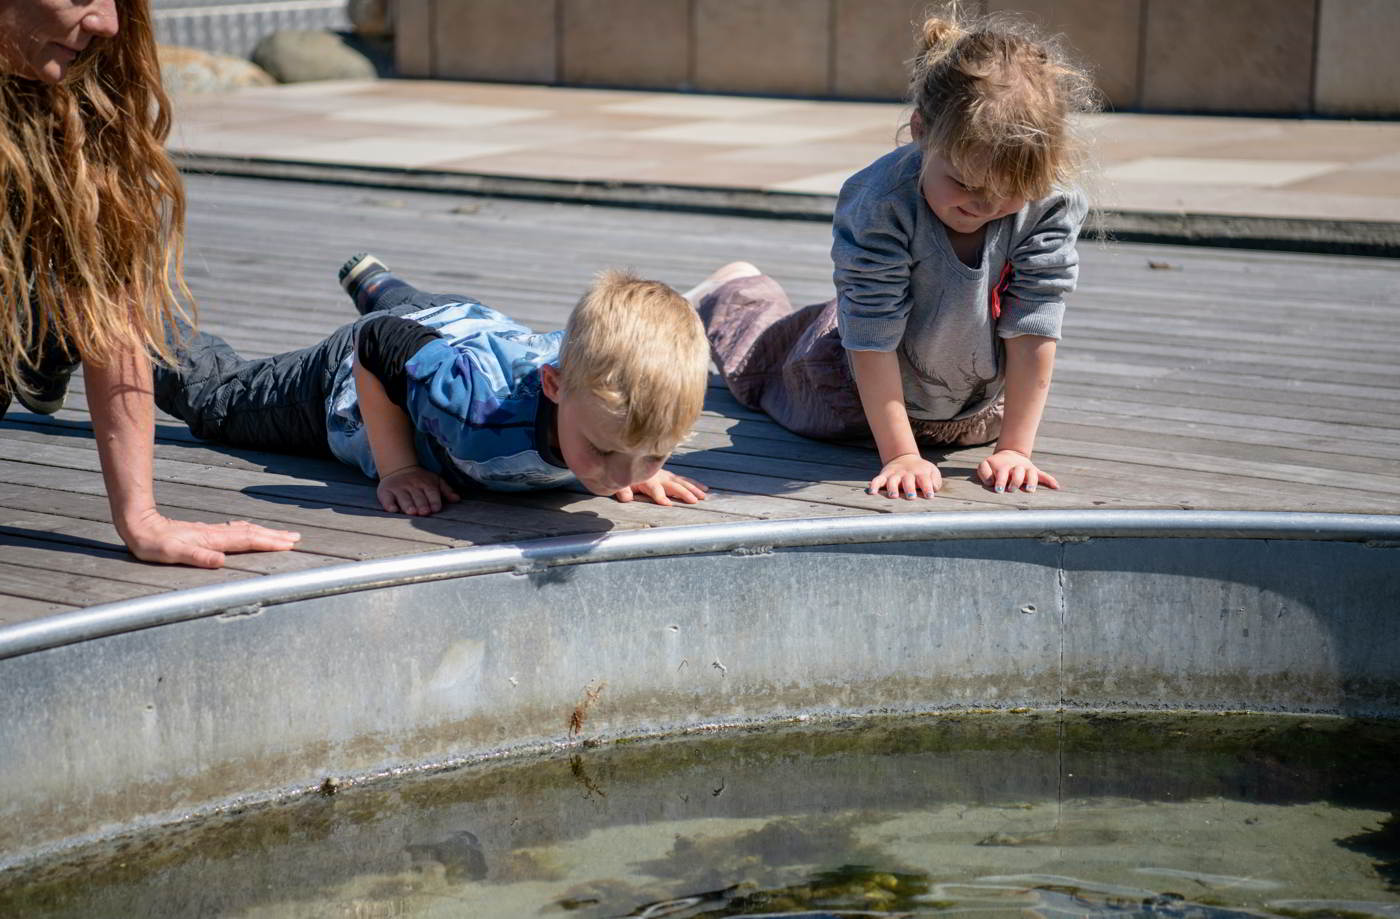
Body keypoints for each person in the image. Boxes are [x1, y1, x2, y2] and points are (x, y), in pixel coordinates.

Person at [688, 8, 1095, 501]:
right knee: (761, 369)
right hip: (845, 388)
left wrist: (1015, 450)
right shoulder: (882, 201)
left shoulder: (1048, 201)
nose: (984, 206)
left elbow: (1035, 318)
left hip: (968, 408)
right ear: (922, 132)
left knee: (859, 327)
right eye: (964, 183)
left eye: (1009, 192)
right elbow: (871, 330)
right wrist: (901, 454)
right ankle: (734, 290)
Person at [0, 0, 300, 566]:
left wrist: (140, 516)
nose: (107, 23)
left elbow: (110, 306)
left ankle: (39, 336)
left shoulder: (78, 95)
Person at [154, 256, 712, 513]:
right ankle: (124, 323)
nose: (621, 475)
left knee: (422, 328)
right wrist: (399, 467)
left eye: (653, 455)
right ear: (554, 386)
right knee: (216, 402)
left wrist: (632, 454)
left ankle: (378, 280)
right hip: (341, 386)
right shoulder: (476, 408)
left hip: (456, 323)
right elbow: (375, 345)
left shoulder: (600, 393)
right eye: (605, 449)